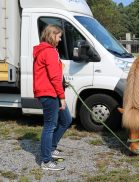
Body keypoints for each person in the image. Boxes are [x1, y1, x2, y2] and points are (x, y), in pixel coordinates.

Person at [33, 24, 72, 170]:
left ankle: (50, 148)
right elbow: (54, 77)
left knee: (66, 120)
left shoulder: (46, 50)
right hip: (49, 93)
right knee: (50, 126)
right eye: (59, 36)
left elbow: (52, 74)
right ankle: (46, 161)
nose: (60, 39)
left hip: (50, 91)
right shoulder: (49, 51)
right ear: (52, 35)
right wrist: (62, 97)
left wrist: (62, 82)